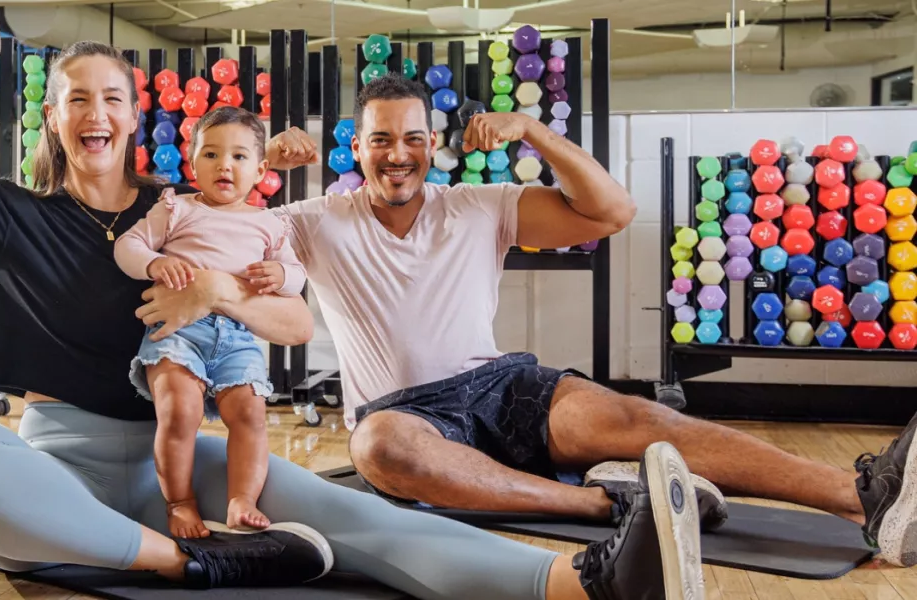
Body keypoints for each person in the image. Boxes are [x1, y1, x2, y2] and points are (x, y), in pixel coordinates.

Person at [0, 13, 704, 598]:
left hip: (171, 457)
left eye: (111, 98)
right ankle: (190, 562)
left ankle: (584, 584)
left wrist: (217, 290)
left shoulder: (192, 216)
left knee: (363, 515)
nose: (94, 113)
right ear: (54, 119)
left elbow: (292, 324)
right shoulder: (7, 210)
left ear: (137, 117)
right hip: (57, 465)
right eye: (76, 100)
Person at [273, 73, 917, 568]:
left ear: (431, 144)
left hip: (497, 389)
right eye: (381, 139)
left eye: (412, 138)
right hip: (403, 412)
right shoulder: (312, 219)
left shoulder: (475, 205)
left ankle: (863, 495)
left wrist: (532, 130)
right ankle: (611, 500)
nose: (397, 154)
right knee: (378, 448)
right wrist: (263, 176)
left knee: (638, 417)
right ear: (356, 146)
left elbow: (612, 211)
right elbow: (209, 241)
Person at [114, 107, 304, 538]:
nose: (224, 165)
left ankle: (242, 500)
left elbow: (296, 276)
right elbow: (128, 245)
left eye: (239, 158)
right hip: (178, 331)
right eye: (212, 154)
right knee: (180, 411)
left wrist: (282, 275)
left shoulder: (269, 223)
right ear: (192, 161)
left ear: (260, 170)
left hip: (237, 337)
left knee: (251, 414)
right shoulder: (176, 209)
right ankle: (179, 502)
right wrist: (154, 263)